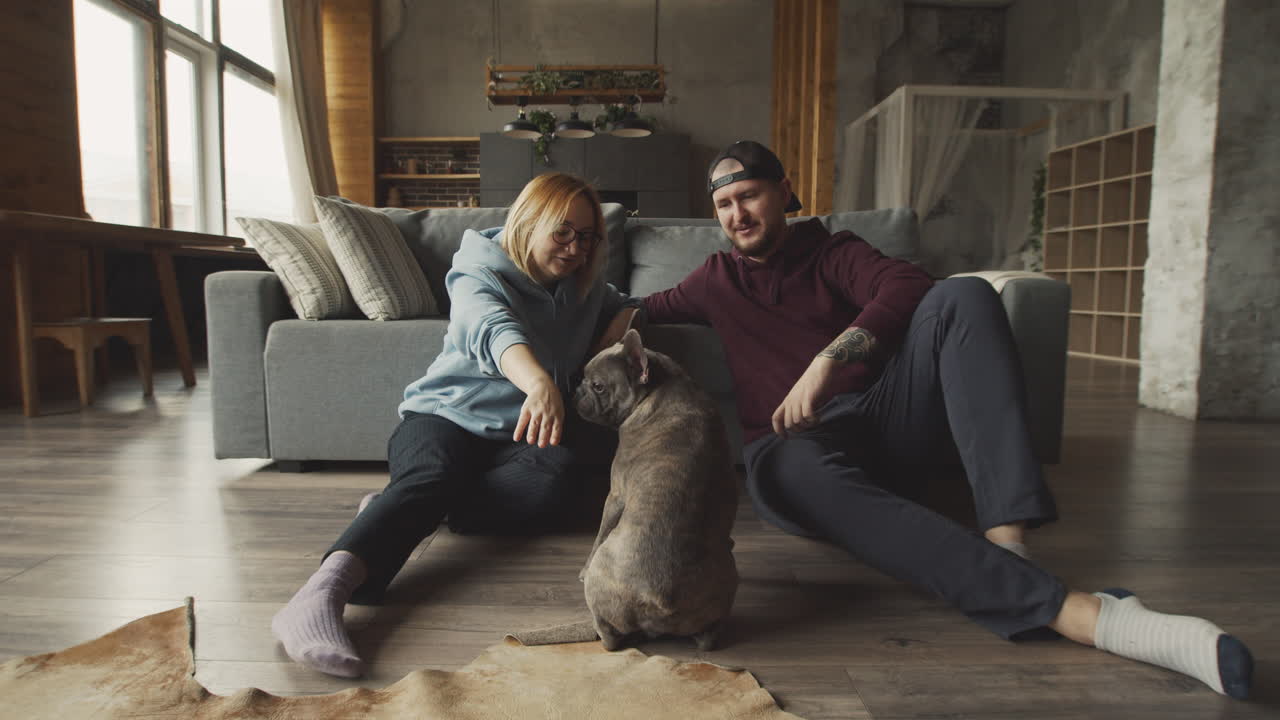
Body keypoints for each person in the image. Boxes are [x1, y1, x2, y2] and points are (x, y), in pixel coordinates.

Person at [630, 140, 1254, 699]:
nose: (737, 214)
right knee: (792, 466)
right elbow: (635, 310)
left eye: (750, 195)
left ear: (784, 193)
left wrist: (827, 359)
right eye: (724, 205)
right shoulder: (713, 280)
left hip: (883, 424)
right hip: (790, 452)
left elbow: (908, 285)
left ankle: (1009, 540)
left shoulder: (833, 251)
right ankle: (1094, 617)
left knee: (963, 294)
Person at [271, 173, 639, 678]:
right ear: (529, 221)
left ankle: (401, 510)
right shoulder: (476, 271)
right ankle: (320, 595)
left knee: (559, 476)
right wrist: (537, 383)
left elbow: (629, 303)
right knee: (434, 475)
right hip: (444, 418)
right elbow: (493, 329)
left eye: (588, 236)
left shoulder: (583, 286)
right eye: (563, 232)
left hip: (517, 439)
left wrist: (616, 332)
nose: (576, 247)